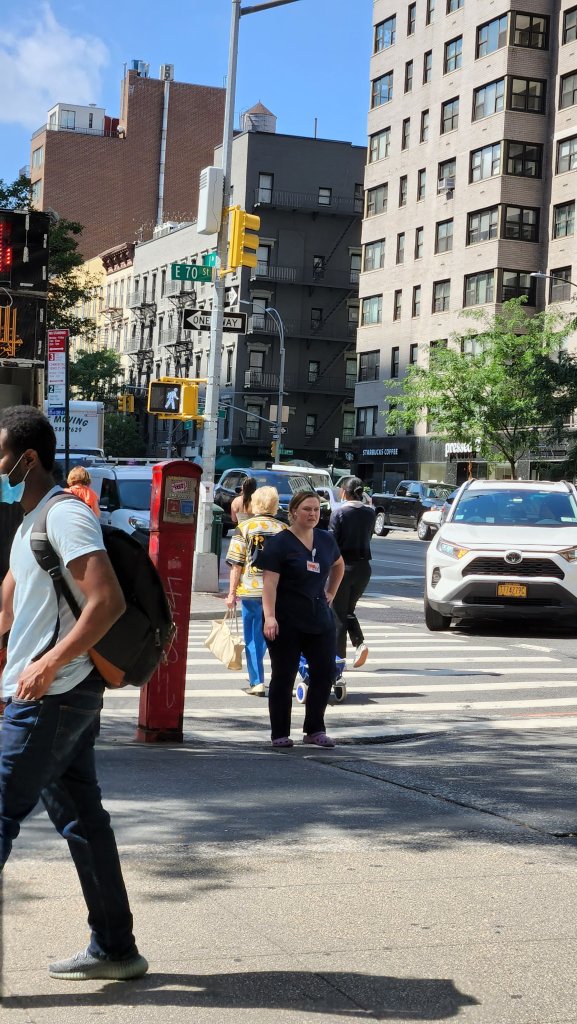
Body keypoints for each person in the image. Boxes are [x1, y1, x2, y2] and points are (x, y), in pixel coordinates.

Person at [0, 405, 147, 982]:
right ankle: (115, 948)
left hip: (53, 696)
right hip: (58, 697)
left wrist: (46, 665)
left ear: (27, 459)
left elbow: (106, 601)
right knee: (84, 820)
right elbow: (9, 610)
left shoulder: (64, 516)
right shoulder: (29, 522)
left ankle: (114, 946)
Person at [258, 490, 344, 749]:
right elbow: (269, 584)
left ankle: (315, 730)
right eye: (307, 509)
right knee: (283, 676)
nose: (313, 514)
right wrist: (270, 617)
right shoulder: (280, 543)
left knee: (324, 673)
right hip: (286, 620)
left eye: (316, 509)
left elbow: (339, 565)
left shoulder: (326, 539)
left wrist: (331, 592)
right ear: (294, 512)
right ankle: (280, 733)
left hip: (319, 618)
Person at [226, 486, 287, 695]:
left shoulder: (244, 527)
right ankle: (280, 678)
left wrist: (231, 593)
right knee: (275, 636)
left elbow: (236, 564)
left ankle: (257, 681)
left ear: (255, 503)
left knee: (253, 637)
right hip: (278, 591)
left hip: (251, 590)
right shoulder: (284, 529)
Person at [329, 476, 376, 669]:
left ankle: (339, 661)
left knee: (338, 614)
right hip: (364, 569)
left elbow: (331, 545)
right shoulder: (370, 513)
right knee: (347, 611)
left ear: (343, 492)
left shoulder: (339, 513)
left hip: (343, 568)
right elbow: (369, 537)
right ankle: (359, 643)